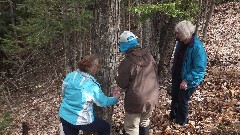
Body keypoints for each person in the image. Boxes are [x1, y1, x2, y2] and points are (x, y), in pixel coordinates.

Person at [59, 54, 120, 135]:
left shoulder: (71, 75)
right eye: (97, 65)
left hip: (64, 116)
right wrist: (115, 98)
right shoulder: (91, 85)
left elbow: (63, 93)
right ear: (92, 68)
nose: (98, 68)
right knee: (105, 128)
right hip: (81, 120)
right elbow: (103, 102)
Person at [116, 31, 160, 135]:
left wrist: (116, 78)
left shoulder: (128, 61)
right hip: (152, 96)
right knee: (144, 122)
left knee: (132, 127)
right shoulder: (148, 56)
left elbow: (122, 83)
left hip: (137, 100)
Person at [170, 20, 207, 126]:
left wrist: (187, 80)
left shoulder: (197, 47)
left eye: (179, 33)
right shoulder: (180, 43)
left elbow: (199, 68)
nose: (177, 35)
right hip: (177, 76)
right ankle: (173, 117)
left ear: (185, 33)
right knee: (175, 97)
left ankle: (181, 122)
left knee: (182, 100)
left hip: (189, 79)